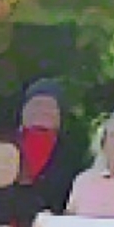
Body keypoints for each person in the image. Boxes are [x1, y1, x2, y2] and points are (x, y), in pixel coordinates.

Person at [15, 79, 78, 214]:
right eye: (37, 104)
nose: (42, 111)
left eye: (50, 107)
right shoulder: (3, 143)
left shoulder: (72, 155)